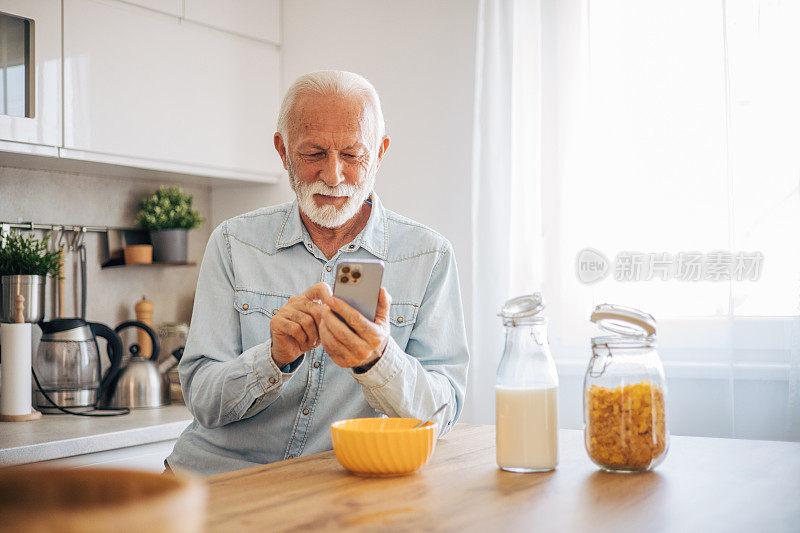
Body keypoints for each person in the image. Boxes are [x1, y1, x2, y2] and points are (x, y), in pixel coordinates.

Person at [166, 71, 469, 476]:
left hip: (329, 490)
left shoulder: (428, 256)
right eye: (313, 154)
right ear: (283, 151)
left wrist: (378, 360)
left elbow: (441, 414)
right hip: (214, 479)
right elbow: (201, 399)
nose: (333, 175)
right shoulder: (233, 243)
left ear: (379, 153)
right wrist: (272, 358)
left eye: (351, 154)